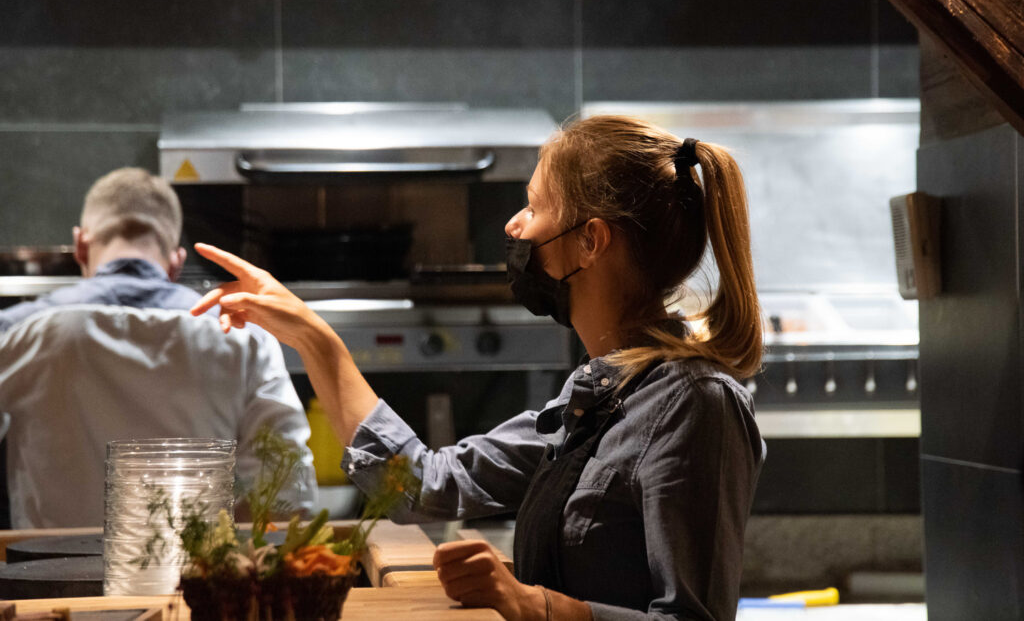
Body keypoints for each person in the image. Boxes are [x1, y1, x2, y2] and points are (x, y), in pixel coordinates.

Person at [192, 115, 766, 621]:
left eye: (536, 208)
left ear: (590, 241)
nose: (516, 227)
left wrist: (529, 603)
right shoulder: (597, 392)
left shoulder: (696, 405)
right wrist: (312, 338)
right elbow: (426, 485)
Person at [0, 167, 316, 528]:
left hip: (51, 579)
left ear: (81, 245)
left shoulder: (17, 332)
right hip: (194, 580)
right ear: (176, 263)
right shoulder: (245, 339)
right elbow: (286, 494)